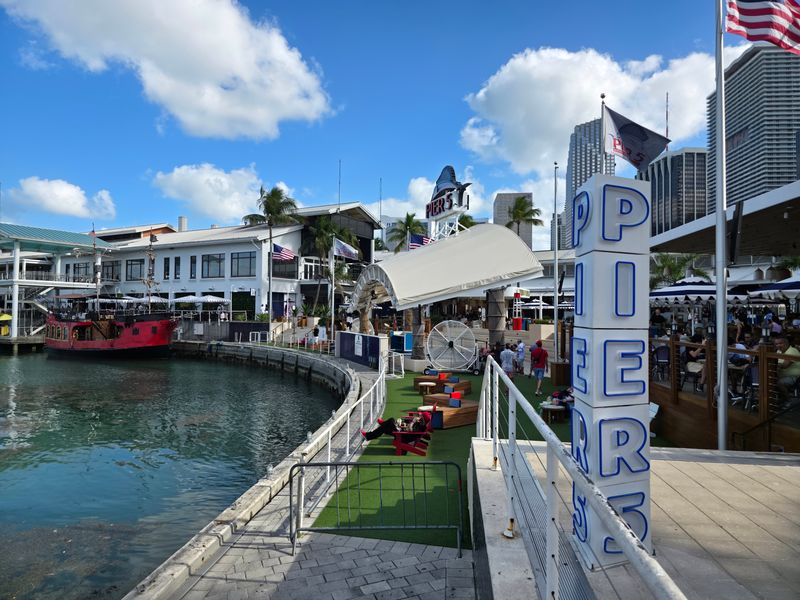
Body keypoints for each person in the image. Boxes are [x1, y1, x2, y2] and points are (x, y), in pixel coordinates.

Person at [774, 336, 800, 402]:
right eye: (776, 344)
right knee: (766, 381)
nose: (778, 345)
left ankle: (789, 401)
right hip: (780, 376)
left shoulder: (792, 351)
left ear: (786, 343)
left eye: (780, 343)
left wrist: (774, 365)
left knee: (779, 383)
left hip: (794, 377)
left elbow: (785, 365)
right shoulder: (779, 351)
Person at [361, 415, 427, 441]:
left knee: (390, 421)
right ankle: (369, 435)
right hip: (403, 433)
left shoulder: (420, 426)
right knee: (385, 427)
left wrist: (413, 421)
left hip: (402, 436)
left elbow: (410, 430)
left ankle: (369, 435)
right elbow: (410, 429)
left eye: (421, 418)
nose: (420, 417)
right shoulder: (421, 425)